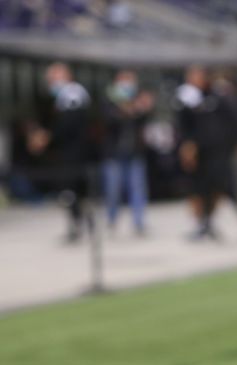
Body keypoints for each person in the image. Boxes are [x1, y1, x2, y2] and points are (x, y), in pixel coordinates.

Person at [175, 66, 237, 241]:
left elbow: (234, 122)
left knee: (227, 188)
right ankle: (206, 225)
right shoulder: (191, 99)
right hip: (203, 154)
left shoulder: (218, 97)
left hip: (220, 153)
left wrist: (233, 144)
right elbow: (187, 126)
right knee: (204, 189)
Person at [30, 62, 91, 242]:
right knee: (70, 191)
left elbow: (69, 124)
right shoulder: (64, 96)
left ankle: (79, 224)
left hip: (74, 152)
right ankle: (77, 223)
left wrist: (47, 137)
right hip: (68, 151)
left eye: (53, 78)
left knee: (70, 190)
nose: (51, 83)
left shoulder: (73, 94)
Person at [101, 69, 154, 236]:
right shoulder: (108, 100)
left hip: (134, 153)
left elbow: (143, 122)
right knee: (113, 190)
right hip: (114, 154)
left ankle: (138, 222)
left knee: (137, 188)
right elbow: (108, 121)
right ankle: (112, 219)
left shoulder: (138, 100)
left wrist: (142, 109)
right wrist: (126, 110)